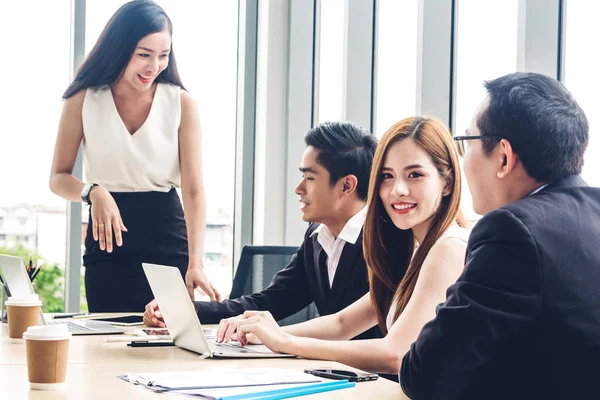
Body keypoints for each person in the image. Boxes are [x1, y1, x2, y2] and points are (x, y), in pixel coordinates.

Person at [216, 117, 469, 376]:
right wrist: (264, 333)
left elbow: (395, 354)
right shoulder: (417, 251)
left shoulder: (448, 248)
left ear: (447, 182)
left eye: (415, 175)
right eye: (386, 176)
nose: (398, 190)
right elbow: (342, 324)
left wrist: (285, 342)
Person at [400, 72, 600, 400]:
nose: (462, 163)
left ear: (504, 158)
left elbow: (425, 376)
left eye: (466, 144)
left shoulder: (512, 231)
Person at [49, 0, 220, 312]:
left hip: (167, 238)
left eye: (163, 56)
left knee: (167, 346)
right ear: (119, 48)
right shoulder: (82, 99)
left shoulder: (182, 104)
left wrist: (196, 264)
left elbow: (194, 191)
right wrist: (92, 191)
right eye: (144, 55)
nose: (154, 66)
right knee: (107, 348)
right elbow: (58, 179)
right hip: (108, 240)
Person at [144, 121, 384, 340]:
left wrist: (268, 334)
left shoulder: (386, 241)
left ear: (347, 185)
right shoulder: (317, 237)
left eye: (309, 178)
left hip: (378, 379)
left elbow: (347, 327)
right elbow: (271, 301)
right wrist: (187, 310)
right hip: (334, 370)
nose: (298, 189)